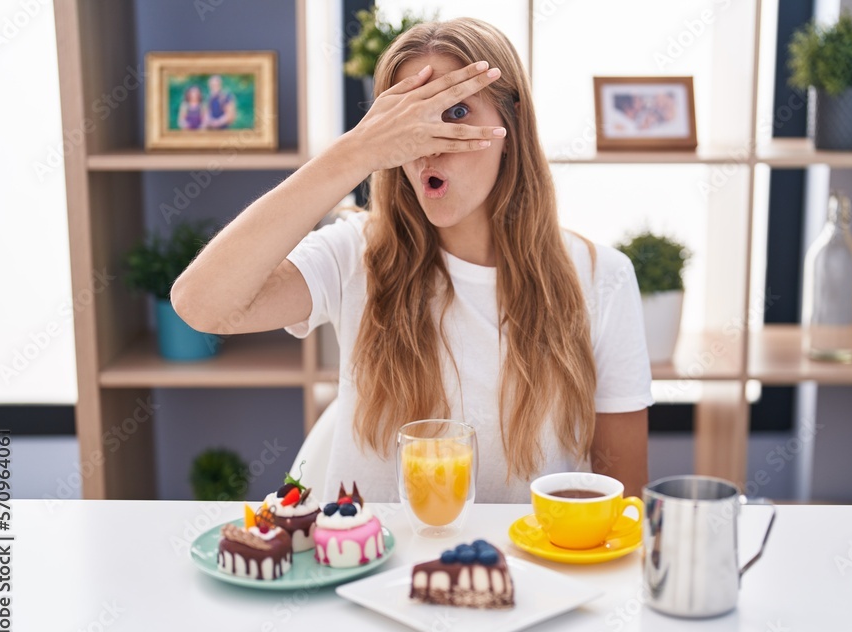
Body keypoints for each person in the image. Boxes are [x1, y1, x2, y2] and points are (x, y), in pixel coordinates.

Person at [171, 18, 652, 503]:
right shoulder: (353, 254)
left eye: (455, 111)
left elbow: (623, 498)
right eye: (406, 121)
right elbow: (201, 305)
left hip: (523, 571)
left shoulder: (601, 278)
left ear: (514, 123)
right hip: (366, 568)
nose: (428, 143)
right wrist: (353, 154)